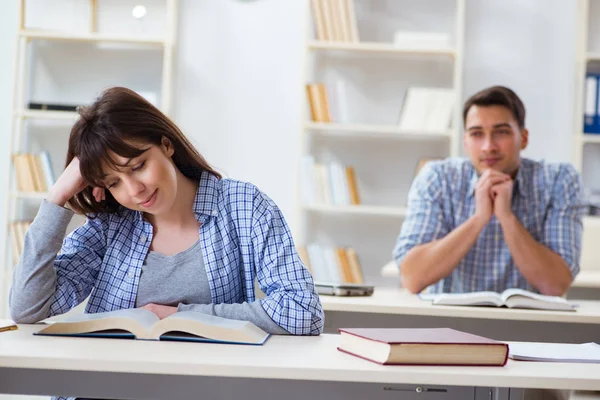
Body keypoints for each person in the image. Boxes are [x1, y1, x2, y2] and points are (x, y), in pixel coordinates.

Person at [10, 87, 324, 337]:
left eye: (138, 167)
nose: (134, 191)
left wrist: (182, 317)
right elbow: (28, 309)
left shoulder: (244, 206)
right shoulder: (109, 225)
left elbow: (303, 312)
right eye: (114, 182)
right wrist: (57, 198)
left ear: (167, 145)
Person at [394, 85, 585, 296]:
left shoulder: (559, 180)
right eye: (477, 134)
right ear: (465, 141)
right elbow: (412, 278)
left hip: (528, 326)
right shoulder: (438, 178)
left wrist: (506, 217)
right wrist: (479, 218)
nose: (488, 146)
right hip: (450, 324)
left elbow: (556, 284)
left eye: (501, 132)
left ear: (523, 138)